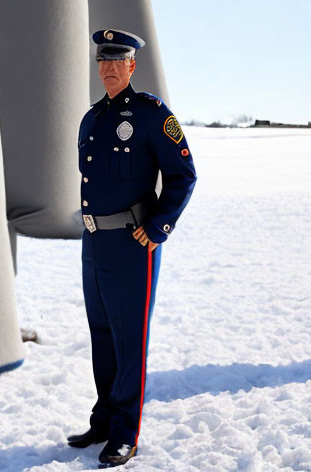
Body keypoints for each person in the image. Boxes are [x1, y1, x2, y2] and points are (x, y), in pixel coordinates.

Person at [68, 29, 197, 466]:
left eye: (116, 60)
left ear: (132, 66)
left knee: (130, 339)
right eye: (102, 60)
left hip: (131, 243)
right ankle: (103, 420)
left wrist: (159, 226)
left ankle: (126, 433)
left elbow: (183, 176)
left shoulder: (151, 114)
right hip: (95, 243)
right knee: (101, 335)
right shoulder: (91, 119)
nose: (107, 68)